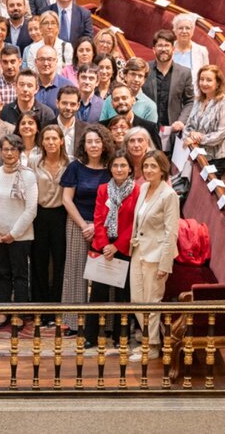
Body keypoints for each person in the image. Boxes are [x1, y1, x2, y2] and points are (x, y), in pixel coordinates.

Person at [60, 124, 115, 333]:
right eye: (89, 141)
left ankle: (106, 323)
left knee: (105, 274)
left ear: (104, 144)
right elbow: (66, 199)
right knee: (75, 272)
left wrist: (98, 225)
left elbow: (116, 200)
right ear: (84, 145)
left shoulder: (112, 168)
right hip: (78, 225)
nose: (93, 145)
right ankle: (74, 322)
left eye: (97, 141)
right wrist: (85, 225)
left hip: (106, 226)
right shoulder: (75, 167)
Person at [84, 150, 138, 350]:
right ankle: (91, 336)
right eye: (115, 166)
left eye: (123, 165)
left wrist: (117, 246)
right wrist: (106, 244)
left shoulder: (137, 191)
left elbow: (135, 223)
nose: (119, 169)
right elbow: (98, 218)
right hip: (102, 246)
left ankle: (120, 336)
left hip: (124, 247)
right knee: (97, 294)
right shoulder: (103, 189)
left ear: (130, 169)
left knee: (123, 295)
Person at [129, 150, 180, 362]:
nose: (148, 170)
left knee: (152, 300)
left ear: (162, 170)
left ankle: (151, 346)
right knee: (136, 300)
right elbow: (139, 220)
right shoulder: (142, 188)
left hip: (157, 255)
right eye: (146, 166)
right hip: (139, 250)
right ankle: (151, 339)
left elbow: (172, 232)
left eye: (153, 166)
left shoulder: (169, 195)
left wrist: (164, 263)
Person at [0, 134, 38, 308]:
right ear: (1, 151)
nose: (9, 153)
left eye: (13, 149)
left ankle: (19, 314)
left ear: (20, 151)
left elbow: (31, 210)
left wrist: (13, 234)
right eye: (6, 149)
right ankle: (3, 310)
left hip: (20, 236)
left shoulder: (28, 176)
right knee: (2, 274)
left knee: (20, 276)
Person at [29, 125, 70, 318]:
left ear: (61, 141)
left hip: (62, 215)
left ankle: (57, 307)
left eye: (55, 138)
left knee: (60, 261)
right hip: (39, 215)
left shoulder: (70, 163)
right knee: (39, 261)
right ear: (42, 142)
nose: (51, 142)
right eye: (47, 139)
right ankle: (40, 306)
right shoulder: (34, 162)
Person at [182, 64, 225, 175]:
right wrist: (191, 133)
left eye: (209, 80)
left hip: (217, 157)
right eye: (201, 79)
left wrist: (198, 139)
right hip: (197, 152)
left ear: (218, 83)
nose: (204, 83)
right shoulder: (198, 100)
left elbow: (221, 134)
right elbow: (188, 125)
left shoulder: (224, 104)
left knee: (206, 190)